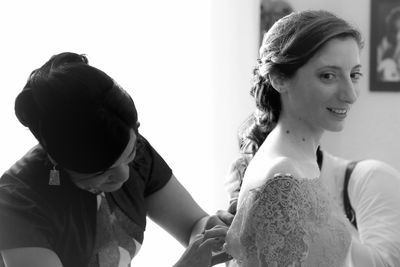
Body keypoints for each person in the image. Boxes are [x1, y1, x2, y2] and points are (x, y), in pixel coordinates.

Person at [0, 52, 233, 267]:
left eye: (129, 154)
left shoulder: (132, 150)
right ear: (56, 160)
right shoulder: (16, 203)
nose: (124, 174)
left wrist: (211, 234)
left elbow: (193, 224)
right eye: (102, 171)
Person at [223, 10, 364, 266]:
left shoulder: (301, 159)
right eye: (328, 76)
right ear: (279, 79)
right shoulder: (283, 177)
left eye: (353, 75)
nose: (350, 94)